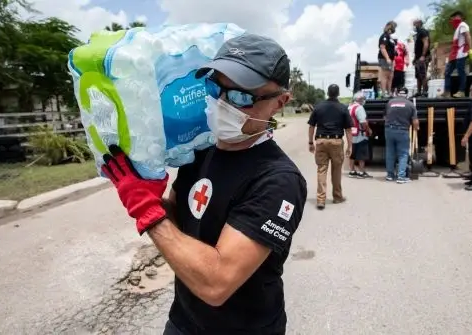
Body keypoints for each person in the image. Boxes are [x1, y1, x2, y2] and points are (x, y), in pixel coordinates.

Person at [100, 33, 308, 334]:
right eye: (215, 87)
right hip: (183, 322)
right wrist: (146, 191)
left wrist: (147, 212)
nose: (222, 103)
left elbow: (216, 283)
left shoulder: (278, 181)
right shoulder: (200, 152)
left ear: (280, 102)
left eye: (241, 96)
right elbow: (178, 220)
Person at [308, 84, 352, 210]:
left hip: (321, 141)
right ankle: (337, 197)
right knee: (336, 170)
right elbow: (348, 129)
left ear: (328, 93)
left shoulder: (319, 107)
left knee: (321, 169)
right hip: (336, 142)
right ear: (338, 94)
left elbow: (311, 126)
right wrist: (350, 146)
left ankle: (321, 200)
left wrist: (311, 143)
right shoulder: (343, 108)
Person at [384, 87, 419, 183]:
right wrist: (417, 128)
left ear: (397, 93)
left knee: (390, 153)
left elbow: (385, 116)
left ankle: (390, 175)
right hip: (402, 130)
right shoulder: (410, 104)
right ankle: (401, 177)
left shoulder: (390, 102)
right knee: (403, 154)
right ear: (407, 94)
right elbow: (415, 121)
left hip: (389, 130)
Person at [442, 10, 472, 98]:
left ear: (461, 17)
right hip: (454, 54)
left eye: (456, 16)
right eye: (453, 17)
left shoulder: (463, 25)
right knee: (447, 73)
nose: (454, 18)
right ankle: (447, 92)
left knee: (461, 72)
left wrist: (470, 49)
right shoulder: (458, 28)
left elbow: (468, 36)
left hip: (460, 53)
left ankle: (462, 91)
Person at [348, 92, 373, 178]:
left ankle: (352, 170)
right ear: (359, 99)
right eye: (362, 99)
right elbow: (363, 122)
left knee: (352, 154)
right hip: (360, 134)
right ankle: (361, 172)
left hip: (351, 133)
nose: (364, 101)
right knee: (362, 154)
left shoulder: (350, 107)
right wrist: (368, 130)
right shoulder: (359, 108)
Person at [378, 21, 397, 98]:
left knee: (390, 76)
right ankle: (384, 93)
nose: (393, 29)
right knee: (385, 75)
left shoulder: (390, 37)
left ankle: (389, 92)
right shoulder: (384, 36)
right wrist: (387, 58)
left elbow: (391, 48)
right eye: (393, 27)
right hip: (384, 59)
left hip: (391, 59)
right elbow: (382, 48)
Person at [412, 19, 431, 97]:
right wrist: (415, 58)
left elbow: (426, 43)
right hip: (418, 58)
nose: (414, 26)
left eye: (415, 24)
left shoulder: (423, 31)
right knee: (418, 75)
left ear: (419, 24)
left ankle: (425, 92)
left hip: (423, 57)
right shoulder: (418, 33)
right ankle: (419, 92)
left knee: (423, 74)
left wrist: (423, 55)